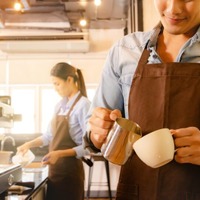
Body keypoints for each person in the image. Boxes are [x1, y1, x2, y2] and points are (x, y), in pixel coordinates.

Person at [84, 0, 200, 199]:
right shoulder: (125, 49)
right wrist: (98, 131)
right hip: (136, 192)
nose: (173, 9)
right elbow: (93, 136)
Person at [17, 62, 91, 200]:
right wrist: (28, 144)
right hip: (55, 172)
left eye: (57, 84)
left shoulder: (84, 105)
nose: (55, 89)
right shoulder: (59, 106)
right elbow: (48, 136)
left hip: (70, 174)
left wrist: (60, 154)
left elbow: (88, 147)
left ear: (69, 80)